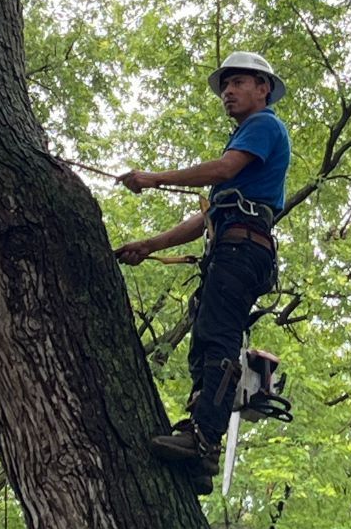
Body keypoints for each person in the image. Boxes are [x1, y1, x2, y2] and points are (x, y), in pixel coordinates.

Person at [116, 51, 291, 494]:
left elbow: (223, 169)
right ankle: (201, 444)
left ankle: (203, 439)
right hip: (234, 247)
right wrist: (150, 245)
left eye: (237, 83)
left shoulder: (263, 126)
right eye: (225, 86)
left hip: (242, 250)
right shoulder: (244, 160)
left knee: (217, 339)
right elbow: (207, 218)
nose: (228, 93)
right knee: (207, 343)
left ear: (262, 88)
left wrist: (154, 178)